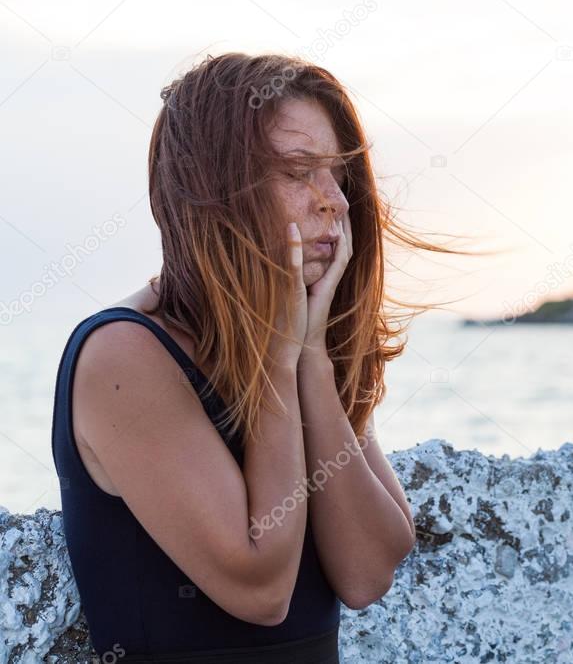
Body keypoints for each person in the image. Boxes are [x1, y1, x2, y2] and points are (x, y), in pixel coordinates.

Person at [50, 52, 467, 663]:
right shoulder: (124, 354)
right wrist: (279, 359)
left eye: (337, 173)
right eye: (299, 173)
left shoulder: (306, 344)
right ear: (212, 193)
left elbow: (368, 571)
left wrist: (315, 364)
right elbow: (260, 586)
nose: (335, 202)